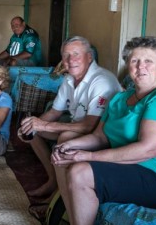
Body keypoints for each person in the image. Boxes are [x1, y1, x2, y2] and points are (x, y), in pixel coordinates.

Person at [52, 36, 156, 225]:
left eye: (148, 61)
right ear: (128, 66)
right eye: (135, 61)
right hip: (131, 170)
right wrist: (68, 145)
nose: (140, 67)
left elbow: (148, 150)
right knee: (64, 157)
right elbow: (100, 136)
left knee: (80, 170)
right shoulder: (119, 99)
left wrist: (87, 155)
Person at [18, 36, 121, 199]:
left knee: (65, 137)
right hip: (79, 127)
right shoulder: (68, 79)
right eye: (66, 55)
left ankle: (59, 196)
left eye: (76, 54)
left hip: (101, 135)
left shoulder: (102, 81)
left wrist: (44, 126)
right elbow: (54, 112)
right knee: (33, 132)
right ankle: (53, 180)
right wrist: (33, 124)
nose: (70, 60)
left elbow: (90, 126)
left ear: (89, 57)